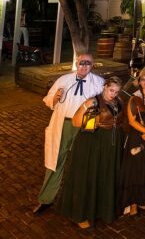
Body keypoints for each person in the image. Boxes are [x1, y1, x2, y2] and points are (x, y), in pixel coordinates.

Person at [33, 53, 104, 216]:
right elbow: (47, 99)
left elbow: (106, 104)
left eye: (88, 64)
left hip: (84, 127)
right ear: (76, 63)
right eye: (81, 63)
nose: (84, 66)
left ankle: (78, 200)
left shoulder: (99, 83)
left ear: (92, 65)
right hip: (63, 125)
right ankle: (46, 199)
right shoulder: (64, 80)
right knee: (55, 162)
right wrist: (55, 98)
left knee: (81, 163)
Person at [57, 76, 126, 229]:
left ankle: (103, 210)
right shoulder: (93, 101)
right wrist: (84, 107)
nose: (113, 94)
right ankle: (81, 214)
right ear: (104, 87)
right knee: (89, 177)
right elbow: (75, 122)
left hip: (111, 145)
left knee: (106, 176)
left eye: (116, 91)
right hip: (92, 143)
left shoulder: (119, 101)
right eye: (110, 90)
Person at [119, 67, 145, 216]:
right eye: (142, 79)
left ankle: (143, 199)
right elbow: (131, 121)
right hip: (138, 136)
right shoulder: (134, 98)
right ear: (139, 82)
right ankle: (133, 203)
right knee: (135, 169)